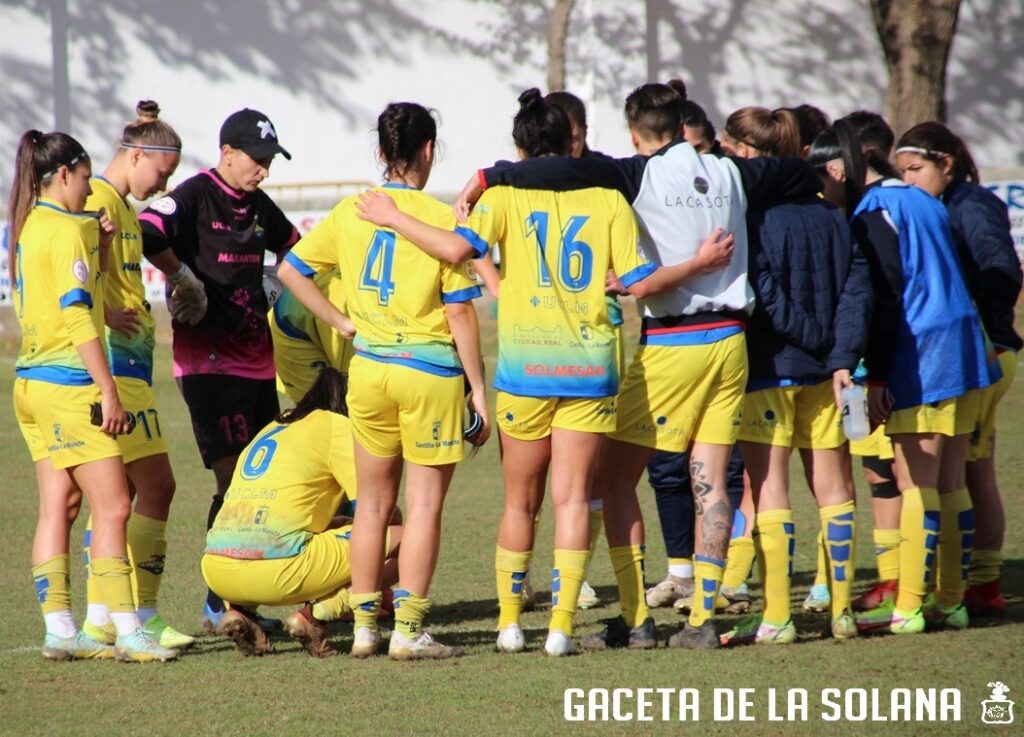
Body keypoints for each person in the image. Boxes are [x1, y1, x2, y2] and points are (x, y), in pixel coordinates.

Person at [456, 81, 822, 650]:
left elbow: (560, 169)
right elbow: (797, 172)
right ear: (682, 124)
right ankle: (702, 619)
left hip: (674, 342)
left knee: (612, 480)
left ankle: (636, 619)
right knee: (711, 480)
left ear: (634, 133)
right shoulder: (731, 172)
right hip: (732, 342)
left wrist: (488, 175)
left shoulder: (637, 174)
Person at [279, 101, 489, 661]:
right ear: (429, 150)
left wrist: (341, 321)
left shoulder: (352, 210)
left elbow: (290, 270)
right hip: (429, 373)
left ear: (381, 151)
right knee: (422, 508)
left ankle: (365, 628)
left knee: (371, 506)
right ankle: (409, 631)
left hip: (369, 371)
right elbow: (459, 311)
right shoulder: (442, 218)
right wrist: (478, 389)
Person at [808, 120, 992, 635]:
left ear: (837, 170)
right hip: (963, 343)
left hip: (922, 348)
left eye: (820, 184)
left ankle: (907, 607)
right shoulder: (921, 199)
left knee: (915, 482)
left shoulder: (875, 210)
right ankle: (949, 602)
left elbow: (887, 295)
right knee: (950, 481)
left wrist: (876, 376)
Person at [9, 129, 176, 662]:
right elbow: (79, 316)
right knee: (115, 506)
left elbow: (68, 292)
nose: (88, 189)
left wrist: (100, 248)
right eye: (84, 178)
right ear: (64, 174)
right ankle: (127, 630)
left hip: (29, 382)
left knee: (58, 506)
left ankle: (61, 629)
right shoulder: (65, 229)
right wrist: (108, 390)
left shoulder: (30, 225)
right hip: (67, 384)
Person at [139, 108, 300, 632]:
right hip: (207, 366)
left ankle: (232, 601)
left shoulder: (260, 205)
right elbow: (147, 229)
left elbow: (297, 247)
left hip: (258, 365)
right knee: (233, 480)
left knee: (260, 483)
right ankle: (222, 603)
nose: (264, 170)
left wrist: (275, 282)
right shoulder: (194, 195)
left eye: (270, 161)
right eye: (257, 160)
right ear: (227, 153)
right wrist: (181, 276)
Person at [716, 106, 871, 645]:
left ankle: (778, 617)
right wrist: (839, 354)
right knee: (835, 488)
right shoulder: (833, 215)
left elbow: (760, 293)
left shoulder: (752, 218)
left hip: (771, 369)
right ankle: (843, 613)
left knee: (770, 488)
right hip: (828, 376)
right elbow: (857, 291)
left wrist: (815, 341)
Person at [76, 100, 194, 652]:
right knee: (157, 486)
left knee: (116, 494)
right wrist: (105, 313)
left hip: (133, 363)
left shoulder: (120, 206)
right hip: (116, 367)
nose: (162, 185)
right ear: (137, 155)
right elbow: (73, 278)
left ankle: (101, 617)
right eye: (162, 173)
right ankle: (141, 613)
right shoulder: (96, 199)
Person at [895, 121, 1022, 617]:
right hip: (967, 356)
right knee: (967, 470)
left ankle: (981, 583)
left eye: (915, 169)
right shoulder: (938, 204)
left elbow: (1001, 269)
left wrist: (976, 324)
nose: (908, 180)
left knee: (970, 473)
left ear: (946, 164)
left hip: (981, 355)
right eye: (901, 171)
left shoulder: (971, 205)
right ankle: (964, 582)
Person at [201, 368, 397, 658]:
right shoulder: (339, 426)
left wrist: (331, 524)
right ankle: (315, 616)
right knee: (406, 537)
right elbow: (376, 507)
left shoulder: (277, 424)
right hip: (281, 571)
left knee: (317, 531)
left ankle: (240, 612)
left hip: (217, 571)